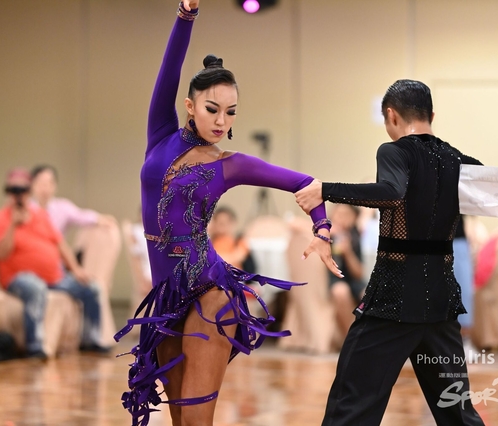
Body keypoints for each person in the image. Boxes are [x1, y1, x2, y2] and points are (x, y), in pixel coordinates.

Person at [113, 2, 340, 425]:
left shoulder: (229, 164)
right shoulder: (160, 134)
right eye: (212, 108)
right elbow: (169, 68)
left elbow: (306, 182)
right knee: (179, 422)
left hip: (210, 294)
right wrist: (186, 13)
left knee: (196, 421)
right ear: (189, 105)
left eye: (230, 111)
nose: (221, 120)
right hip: (167, 299)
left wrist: (322, 228)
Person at [295, 79, 498, 426]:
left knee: (350, 409)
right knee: (457, 414)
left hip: (392, 303)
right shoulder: (460, 162)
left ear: (391, 116)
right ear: (431, 116)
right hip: (440, 305)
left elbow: (392, 193)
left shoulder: (393, 151)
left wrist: (325, 189)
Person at [0, 168, 107, 359]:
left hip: (54, 277)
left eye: (23, 190)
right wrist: (13, 225)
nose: (19, 196)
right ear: (7, 193)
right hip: (18, 278)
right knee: (35, 288)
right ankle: (34, 346)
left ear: (29, 192)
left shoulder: (41, 215)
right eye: (13, 191)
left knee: (91, 288)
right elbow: (0, 254)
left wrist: (76, 270)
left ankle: (90, 340)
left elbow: (60, 244)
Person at [30, 164, 116, 236]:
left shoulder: (62, 207)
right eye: (41, 183)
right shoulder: (26, 207)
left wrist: (98, 218)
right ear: (32, 185)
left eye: (49, 183)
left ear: (55, 186)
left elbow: (80, 215)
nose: (45, 188)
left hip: (55, 251)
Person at [328, 204, 365, 335]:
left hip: (353, 280)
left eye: (347, 215)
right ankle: (351, 337)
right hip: (332, 279)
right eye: (339, 214)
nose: (342, 219)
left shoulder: (354, 236)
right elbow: (294, 224)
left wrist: (348, 252)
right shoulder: (324, 233)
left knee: (369, 294)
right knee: (341, 291)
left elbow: (359, 274)